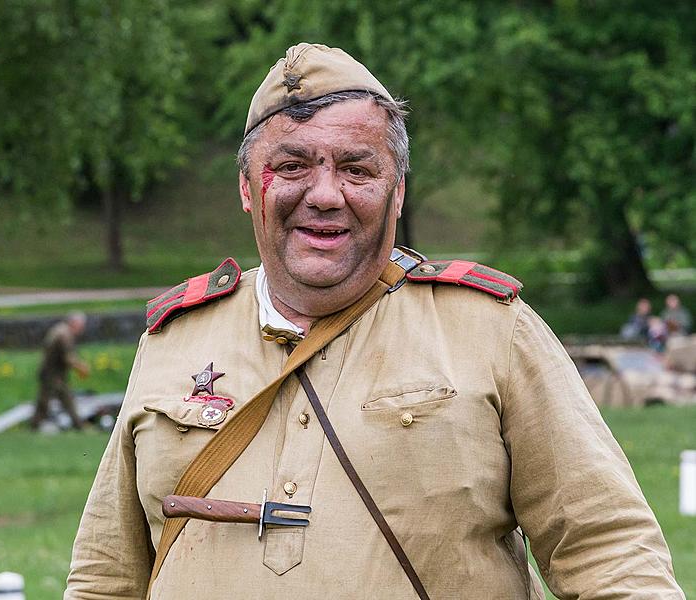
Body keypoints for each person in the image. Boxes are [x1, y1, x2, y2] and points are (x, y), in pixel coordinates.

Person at [65, 43, 682, 598]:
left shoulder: (493, 329)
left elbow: (612, 557)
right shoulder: (175, 338)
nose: (326, 194)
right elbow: (105, 577)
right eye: (293, 166)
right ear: (249, 188)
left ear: (398, 192)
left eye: (358, 169)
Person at [30, 312, 90, 431]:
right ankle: (79, 425)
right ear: (74, 323)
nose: (82, 329)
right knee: (64, 398)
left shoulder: (60, 330)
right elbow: (68, 357)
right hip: (52, 373)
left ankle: (35, 425)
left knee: (46, 399)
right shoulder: (64, 334)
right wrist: (81, 367)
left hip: (51, 371)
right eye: (81, 326)